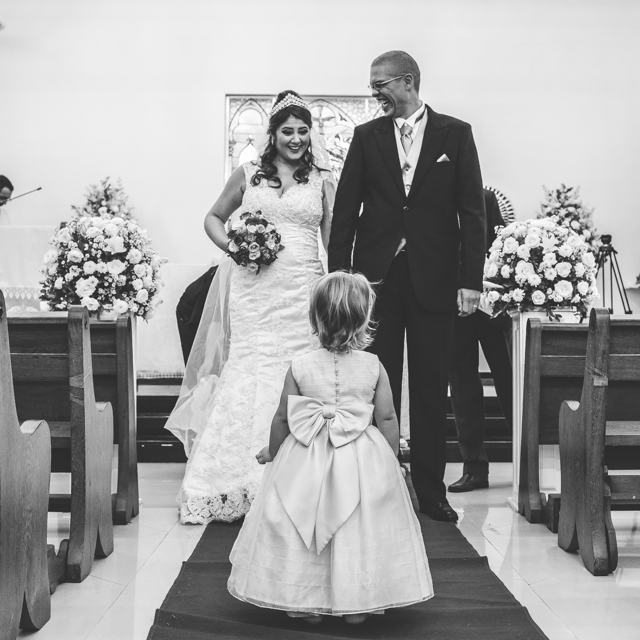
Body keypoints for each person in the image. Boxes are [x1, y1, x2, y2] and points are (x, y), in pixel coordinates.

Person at [328, 51, 485, 522]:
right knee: (377, 385)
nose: (374, 93)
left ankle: (431, 492)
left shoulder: (455, 134)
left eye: (380, 85)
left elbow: (472, 213)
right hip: (376, 282)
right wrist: (341, 278)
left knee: (434, 387)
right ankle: (378, 487)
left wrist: (470, 281)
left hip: (436, 279)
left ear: (408, 81)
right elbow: (347, 211)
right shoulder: (365, 136)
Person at [164, 90, 335, 524]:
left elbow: (333, 241)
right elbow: (213, 218)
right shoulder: (248, 174)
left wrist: (335, 288)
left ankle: (300, 476)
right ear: (273, 134)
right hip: (254, 287)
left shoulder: (323, 179)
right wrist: (236, 248)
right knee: (251, 366)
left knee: (297, 367)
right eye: (286, 131)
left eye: (302, 131)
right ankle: (229, 476)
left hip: (303, 288)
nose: (295, 139)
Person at [228, 272, 433, 623]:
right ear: (364, 317)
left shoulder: (300, 365)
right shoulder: (374, 365)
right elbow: (386, 418)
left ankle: (302, 599)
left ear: (314, 317)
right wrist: (391, 459)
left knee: (298, 515)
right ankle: (356, 602)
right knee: (359, 523)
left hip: (306, 453)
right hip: (360, 455)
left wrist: (273, 451)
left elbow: (282, 417)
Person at [447, 189, 513, 493]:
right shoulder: (430, 196)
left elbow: (501, 247)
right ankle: (474, 466)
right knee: (462, 384)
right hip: (450, 306)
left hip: (489, 305)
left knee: (509, 377)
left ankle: (526, 459)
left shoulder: (484, 198)